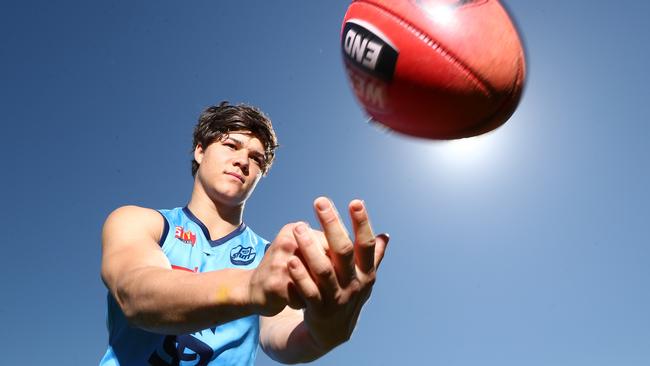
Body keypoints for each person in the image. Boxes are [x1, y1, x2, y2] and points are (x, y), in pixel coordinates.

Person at [99, 101, 389, 365]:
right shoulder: (139, 222)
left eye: (257, 158)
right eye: (231, 145)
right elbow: (135, 295)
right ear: (200, 151)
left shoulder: (270, 257)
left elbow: (282, 338)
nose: (243, 161)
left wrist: (324, 331)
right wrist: (250, 288)